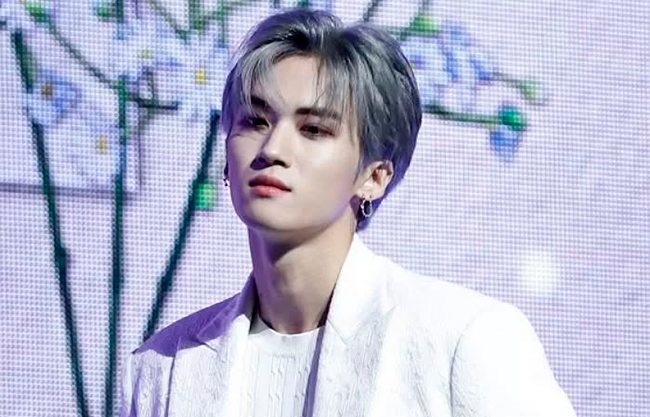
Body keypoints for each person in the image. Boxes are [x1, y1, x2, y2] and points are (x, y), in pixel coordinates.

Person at [120, 8, 576, 417]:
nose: (272, 149)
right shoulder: (162, 367)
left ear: (374, 176)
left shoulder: (462, 340)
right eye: (255, 121)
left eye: (314, 129)